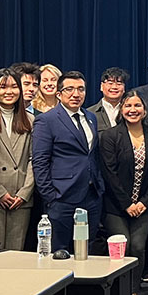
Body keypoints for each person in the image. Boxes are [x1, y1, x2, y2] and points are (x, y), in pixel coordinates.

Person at [100, 90, 148, 295]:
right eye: (128, 106)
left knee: (138, 247)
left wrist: (144, 202)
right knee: (121, 245)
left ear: (145, 110)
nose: (133, 110)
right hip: (116, 206)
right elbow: (109, 173)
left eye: (137, 106)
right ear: (121, 109)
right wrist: (126, 204)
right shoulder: (110, 136)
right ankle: (116, 291)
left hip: (142, 206)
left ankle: (133, 291)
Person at [31, 71, 105, 253]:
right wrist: (50, 196)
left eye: (80, 89)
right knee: (59, 252)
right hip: (61, 196)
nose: (76, 94)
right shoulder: (46, 120)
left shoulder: (90, 118)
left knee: (86, 250)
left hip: (91, 195)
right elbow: (40, 161)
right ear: (59, 94)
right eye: (69, 89)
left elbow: (91, 155)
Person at [0, 68, 36, 250]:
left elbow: (34, 160)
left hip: (21, 197)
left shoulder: (31, 120)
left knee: (16, 252)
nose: (9, 92)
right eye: (3, 87)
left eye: (14, 87)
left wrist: (24, 193)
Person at [88, 67, 129, 132]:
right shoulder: (90, 113)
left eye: (119, 84)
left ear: (124, 88)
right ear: (101, 86)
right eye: (110, 83)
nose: (114, 87)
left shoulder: (130, 112)